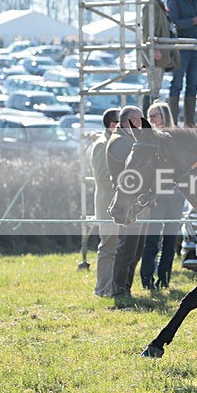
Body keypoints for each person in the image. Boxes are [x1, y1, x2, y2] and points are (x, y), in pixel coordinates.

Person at [139, 102, 185, 289]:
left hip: (175, 195)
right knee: (152, 239)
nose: (151, 120)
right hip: (156, 195)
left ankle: (164, 278)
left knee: (170, 240)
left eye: (155, 115)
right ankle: (146, 279)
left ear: (165, 116)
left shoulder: (176, 138)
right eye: (149, 116)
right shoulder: (148, 138)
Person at [106, 105, 148, 297]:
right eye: (140, 120)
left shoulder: (126, 139)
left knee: (135, 250)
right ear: (131, 121)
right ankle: (120, 290)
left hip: (133, 201)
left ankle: (126, 288)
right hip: (127, 202)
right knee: (127, 250)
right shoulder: (121, 142)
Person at [141, 0, 181, 114]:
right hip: (155, 54)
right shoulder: (152, 5)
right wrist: (153, 49)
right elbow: (147, 30)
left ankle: (148, 120)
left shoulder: (158, 4)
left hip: (159, 52)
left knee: (155, 88)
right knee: (152, 89)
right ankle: (146, 121)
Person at [91, 107, 120, 297]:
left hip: (119, 207)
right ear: (112, 125)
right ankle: (102, 289)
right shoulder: (102, 144)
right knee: (108, 247)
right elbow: (102, 176)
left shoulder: (116, 143)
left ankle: (114, 288)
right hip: (107, 206)